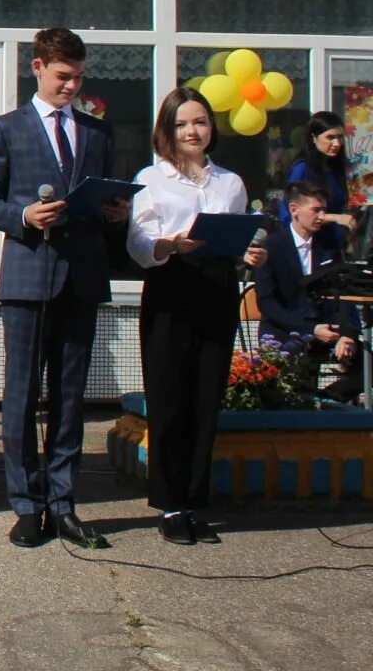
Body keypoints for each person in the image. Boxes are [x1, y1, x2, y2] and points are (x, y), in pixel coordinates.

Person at [0, 27, 129, 550]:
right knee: (19, 398)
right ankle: (25, 506)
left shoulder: (97, 134)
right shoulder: (6, 129)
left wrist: (114, 213)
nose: (72, 88)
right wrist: (22, 215)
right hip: (28, 277)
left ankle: (63, 503)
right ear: (37, 68)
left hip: (80, 279)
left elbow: (106, 204)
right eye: (63, 77)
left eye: (79, 78)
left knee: (69, 399)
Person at [126, 87, 267, 545]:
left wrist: (251, 255)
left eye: (200, 122)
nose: (192, 131)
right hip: (171, 285)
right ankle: (169, 506)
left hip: (217, 290)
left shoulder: (231, 183)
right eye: (182, 123)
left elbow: (237, 239)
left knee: (206, 400)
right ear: (167, 130)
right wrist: (169, 244)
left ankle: (193, 501)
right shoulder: (151, 178)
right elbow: (139, 243)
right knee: (170, 399)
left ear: (211, 128)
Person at [256, 180, 361, 401]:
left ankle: (325, 400)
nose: (322, 216)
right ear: (294, 210)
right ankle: (305, 403)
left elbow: (342, 293)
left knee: (365, 360)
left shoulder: (328, 245)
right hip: (285, 330)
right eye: (316, 210)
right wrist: (311, 329)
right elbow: (267, 303)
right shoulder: (272, 248)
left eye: (324, 209)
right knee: (295, 359)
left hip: (326, 329)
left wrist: (347, 333)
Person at [281, 112, 358, 256]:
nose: (336, 143)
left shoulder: (335, 169)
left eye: (340, 137)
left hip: (334, 247)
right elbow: (288, 216)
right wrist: (334, 218)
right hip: (308, 248)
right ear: (314, 138)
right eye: (330, 137)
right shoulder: (301, 169)